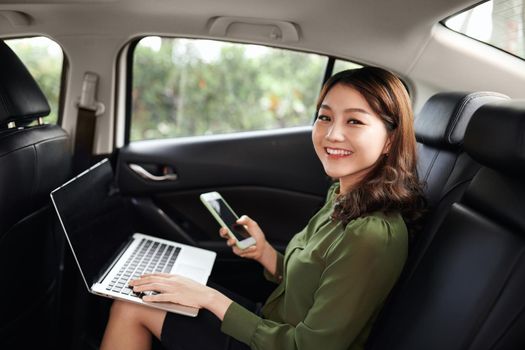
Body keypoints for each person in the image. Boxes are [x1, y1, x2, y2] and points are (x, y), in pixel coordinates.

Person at [100, 66, 425, 350]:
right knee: (148, 292)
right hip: (270, 325)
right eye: (325, 117)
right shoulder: (343, 198)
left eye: (354, 121)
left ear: (390, 140)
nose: (332, 133)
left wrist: (209, 298)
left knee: (133, 307)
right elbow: (315, 284)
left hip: (280, 343)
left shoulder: (371, 236)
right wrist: (265, 253)